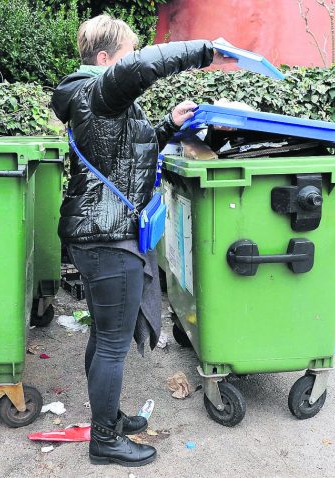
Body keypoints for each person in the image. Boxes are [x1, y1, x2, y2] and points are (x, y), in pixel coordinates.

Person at [51, 15, 236, 467]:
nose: (131, 62)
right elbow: (144, 67)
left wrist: (169, 126)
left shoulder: (98, 105)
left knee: (105, 335)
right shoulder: (97, 91)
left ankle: (108, 417)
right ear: (104, 60)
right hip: (107, 237)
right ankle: (104, 441)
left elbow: (129, 154)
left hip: (100, 233)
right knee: (113, 342)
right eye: (125, 55)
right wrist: (205, 51)